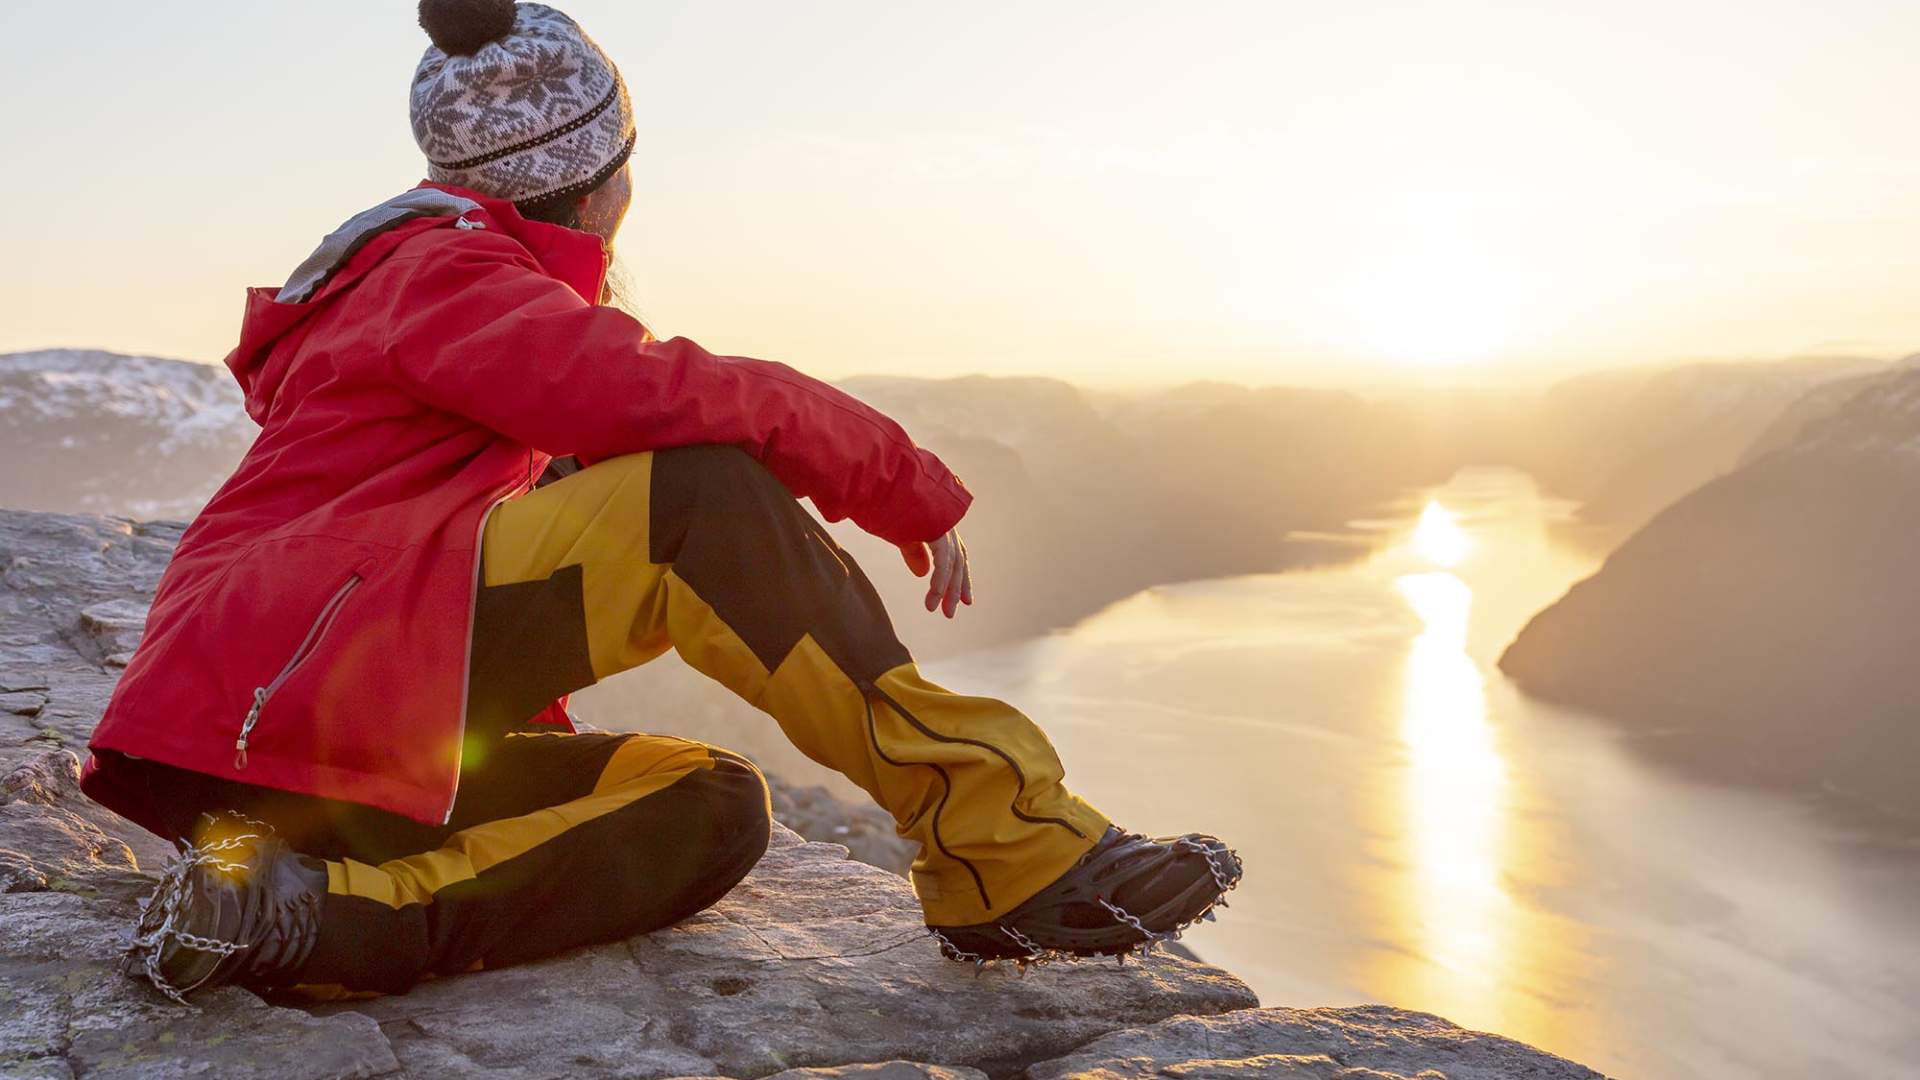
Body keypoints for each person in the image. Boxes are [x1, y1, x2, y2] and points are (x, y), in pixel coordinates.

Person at [84, 0, 1241, 1002]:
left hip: (277, 749)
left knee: (709, 804)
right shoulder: (441, 273)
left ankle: (302, 916)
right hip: (282, 694)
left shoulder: (421, 288)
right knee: (698, 493)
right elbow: (638, 396)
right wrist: (893, 475)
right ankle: (1006, 847)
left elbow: (497, 506)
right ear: (601, 180)